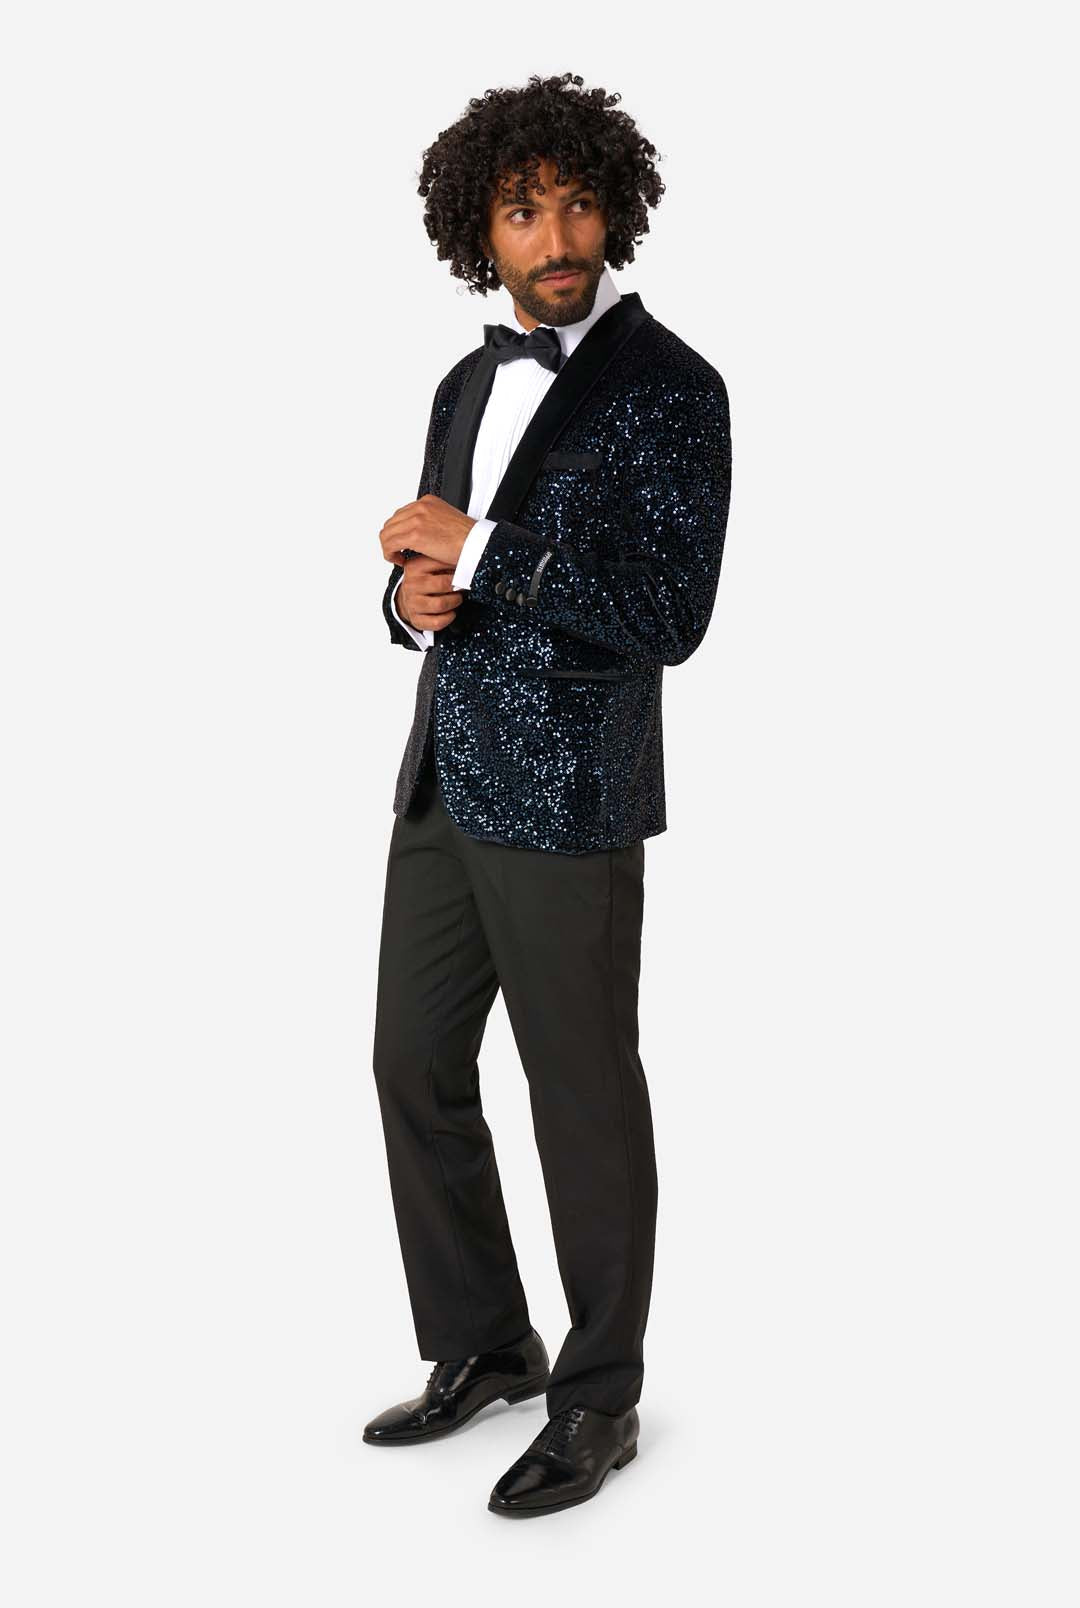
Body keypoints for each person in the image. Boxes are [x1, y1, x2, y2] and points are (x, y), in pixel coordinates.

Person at [365, 70, 732, 1518]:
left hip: (572, 794)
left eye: (579, 204)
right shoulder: (466, 384)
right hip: (444, 779)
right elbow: (434, 561)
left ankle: (598, 1397)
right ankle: (487, 1342)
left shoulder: (674, 389)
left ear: (615, 211)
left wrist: (486, 548)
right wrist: (410, 600)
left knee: (580, 1095)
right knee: (410, 1063)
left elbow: (670, 613)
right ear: (483, 231)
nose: (557, 235)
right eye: (524, 212)